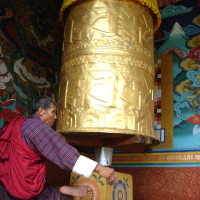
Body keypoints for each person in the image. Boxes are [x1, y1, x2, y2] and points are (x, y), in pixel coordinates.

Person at [0, 95, 117, 200]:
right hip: (15, 192)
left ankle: (63, 189)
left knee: (47, 192)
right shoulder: (34, 125)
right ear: (41, 111)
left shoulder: (22, 125)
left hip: (9, 187)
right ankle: (64, 189)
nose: (55, 117)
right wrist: (99, 168)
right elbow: (62, 151)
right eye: (53, 112)